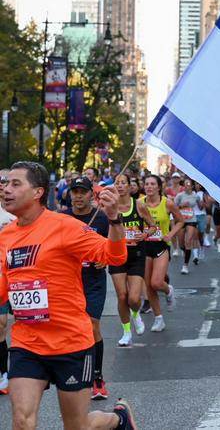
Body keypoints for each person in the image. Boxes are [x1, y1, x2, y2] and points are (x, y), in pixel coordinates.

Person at [0, 161, 137, 429]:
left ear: (38, 192)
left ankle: (118, 419)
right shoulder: (5, 236)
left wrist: (114, 220)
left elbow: (114, 255)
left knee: (77, 425)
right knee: (21, 420)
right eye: (5, 184)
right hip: (27, 344)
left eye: (15, 184)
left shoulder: (65, 226)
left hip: (70, 342)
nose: (6, 189)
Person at [62, 177, 112, 401]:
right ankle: (74, 372)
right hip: (68, 281)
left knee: (92, 326)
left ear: (91, 194)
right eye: (75, 191)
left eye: (83, 191)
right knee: (72, 329)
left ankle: (97, 378)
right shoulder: (61, 218)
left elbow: (112, 245)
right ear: (70, 194)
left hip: (93, 280)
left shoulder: (101, 218)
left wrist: (106, 258)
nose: (78, 196)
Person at [110, 174, 154, 348]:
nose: (120, 186)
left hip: (136, 255)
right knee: (122, 296)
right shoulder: (110, 208)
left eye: (123, 183)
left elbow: (152, 226)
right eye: (117, 183)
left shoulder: (139, 206)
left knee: (134, 298)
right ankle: (126, 332)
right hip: (116, 256)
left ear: (129, 186)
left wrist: (145, 234)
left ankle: (135, 313)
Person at [143, 175, 183, 332]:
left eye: (152, 184)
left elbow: (180, 221)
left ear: (159, 187)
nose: (149, 187)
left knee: (157, 282)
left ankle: (169, 290)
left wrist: (170, 235)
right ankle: (159, 319)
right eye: (146, 184)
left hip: (161, 246)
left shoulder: (167, 203)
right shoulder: (140, 203)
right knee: (148, 286)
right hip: (145, 246)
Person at [0, 169, 15, 395]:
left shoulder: (18, 214)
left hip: (16, 276)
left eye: (8, 182)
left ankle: (4, 371)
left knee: (2, 324)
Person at [175, 179, 204, 274]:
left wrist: (202, 203)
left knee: (188, 242)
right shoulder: (180, 196)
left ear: (192, 186)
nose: (187, 186)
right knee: (181, 244)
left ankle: (185, 265)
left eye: (189, 185)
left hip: (192, 220)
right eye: (185, 185)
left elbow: (201, 207)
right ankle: (186, 251)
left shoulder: (195, 196)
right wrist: (181, 206)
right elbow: (173, 208)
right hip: (181, 221)